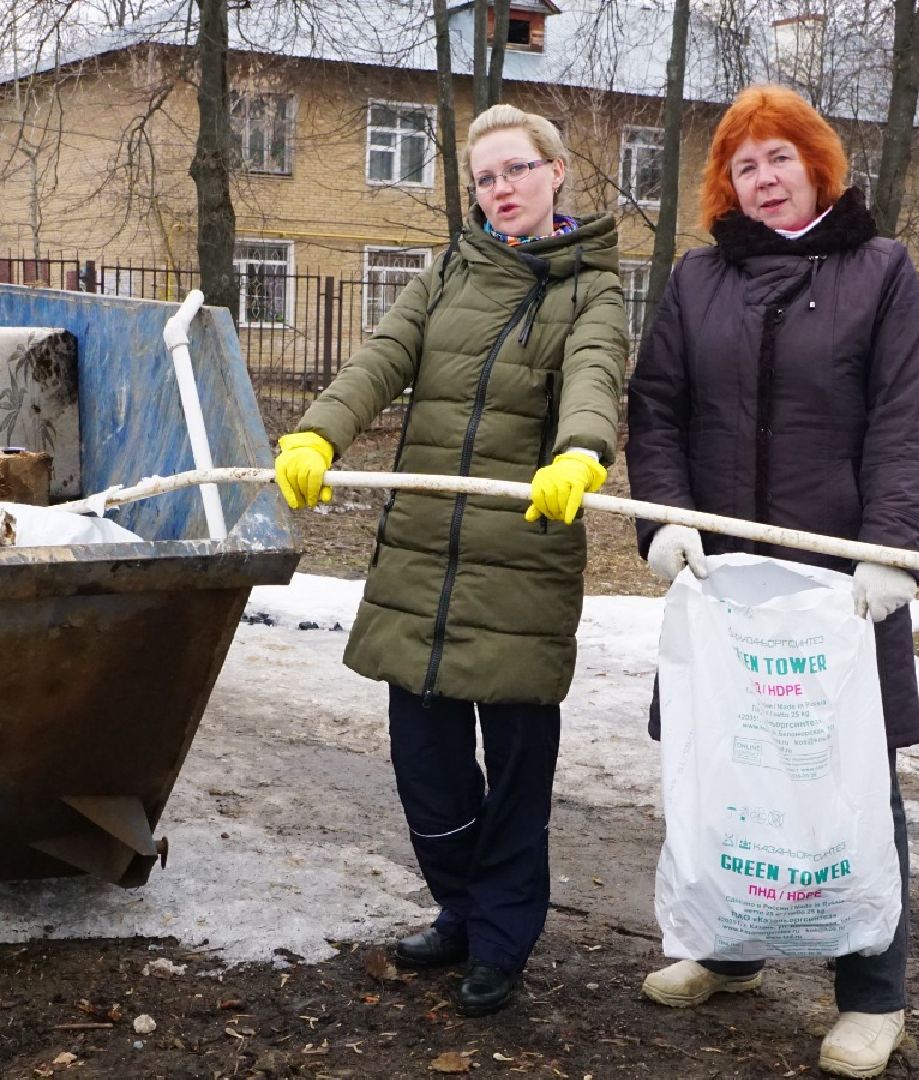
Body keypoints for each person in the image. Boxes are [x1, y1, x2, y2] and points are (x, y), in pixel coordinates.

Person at [272, 104, 627, 1017]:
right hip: (424, 556)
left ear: (555, 173)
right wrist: (318, 434)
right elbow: (381, 360)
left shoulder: (592, 287)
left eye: (515, 171)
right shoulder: (446, 273)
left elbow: (595, 372)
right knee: (425, 763)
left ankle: (502, 939)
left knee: (514, 772)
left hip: (523, 562)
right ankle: (461, 909)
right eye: (484, 178)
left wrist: (581, 451)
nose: (500, 190)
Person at [624, 84, 919, 1078]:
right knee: (728, 766)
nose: (763, 178)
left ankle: (871, 994)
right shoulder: (698, 279)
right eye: (744, 164)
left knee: (847, 774)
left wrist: (887, 547)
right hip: (723, 583)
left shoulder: (879, 272)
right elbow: (656, 409)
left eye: (780, 158)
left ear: (818, 166)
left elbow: (902, 417)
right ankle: (728, 951)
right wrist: (665, 519)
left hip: (838, 583)